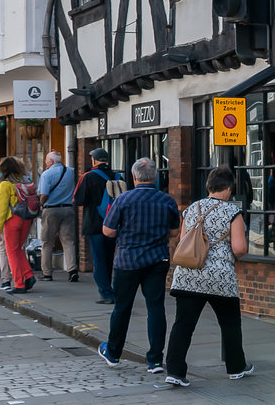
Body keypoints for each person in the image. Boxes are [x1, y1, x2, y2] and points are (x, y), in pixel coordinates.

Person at [163, 166, 253, 387]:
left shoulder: (192, 208)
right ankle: (235, 367)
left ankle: (174, 371)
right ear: (229, 188)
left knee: (182, 324)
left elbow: (184, 240)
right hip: (219, 278)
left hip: (188, 276)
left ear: (209, 186)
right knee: (230, 323)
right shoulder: (232, 212)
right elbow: (239, 248)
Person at [98, 157, 180, 372]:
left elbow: (108, 231)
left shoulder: (124, 200)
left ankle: (113, 353)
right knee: (155, 308)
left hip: (127, 261)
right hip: (157, 259)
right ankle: (154, 360)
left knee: (122, 308)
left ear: (134, 177)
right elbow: (174, 232)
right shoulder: (167, 200)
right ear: (154, 176)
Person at [76, 149, 121, 304]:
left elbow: (78, 200)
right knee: (110, 258)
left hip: (95, 223)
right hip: (114, 224)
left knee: (99, 260)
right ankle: (112, 289)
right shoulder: (117, 176)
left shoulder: (88, 177)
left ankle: (106, 293)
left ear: (94, 160)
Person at [0, 157, 36, 294]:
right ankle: (29, 275)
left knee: (11, 251)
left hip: (12, 220)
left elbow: (1, 209)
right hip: (26, 218)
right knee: (18, 248)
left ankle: (19, 284)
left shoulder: (5, 185)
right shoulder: (26, 181)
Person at [36, 152, 78, 283]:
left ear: (52, 161)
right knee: (68, 240)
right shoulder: (71, 172)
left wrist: (40, 205)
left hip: (51, 210)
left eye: (47, 160)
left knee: (47, 242)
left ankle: (47, 273)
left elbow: (44, 195)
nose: (45, 163)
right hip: (68, 208)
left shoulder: (46, 174)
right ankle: (72, 270)